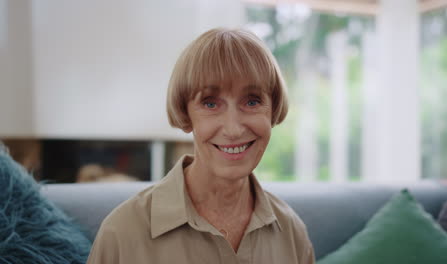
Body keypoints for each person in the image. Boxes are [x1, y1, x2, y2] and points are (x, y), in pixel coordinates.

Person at [87, 28, 315, 264]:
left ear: (273, 109)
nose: (233, 129)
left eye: (252, 101)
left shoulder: (292, 233)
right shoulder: (122, 234)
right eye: (210, 103)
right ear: (186, 114)